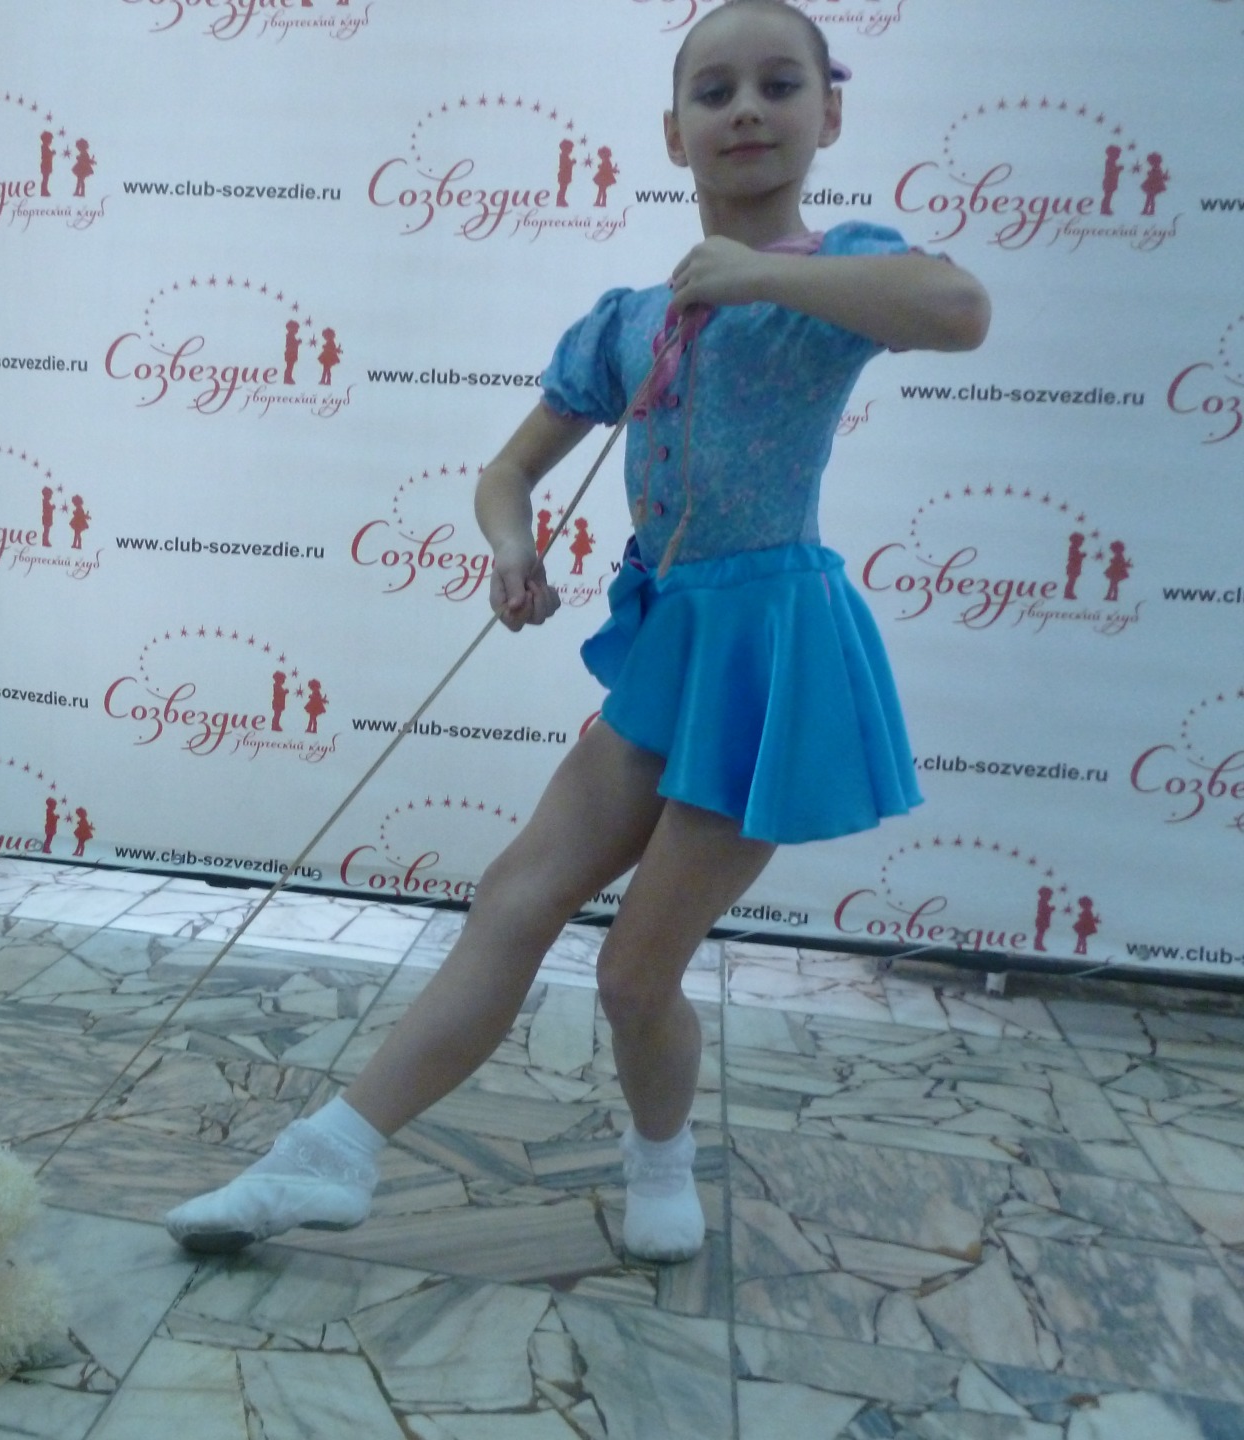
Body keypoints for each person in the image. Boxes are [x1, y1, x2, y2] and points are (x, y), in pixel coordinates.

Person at [165, 0, 989, 1264]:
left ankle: (661, 1161)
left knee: (633, 973)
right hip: (668, 651)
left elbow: (958, 308)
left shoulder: (838, 271)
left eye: (780, 85)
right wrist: (514, 548)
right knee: (514, 896)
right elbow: (506, 472)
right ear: (672, 133)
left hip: (771, 659)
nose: (748, 110)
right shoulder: (627, 320)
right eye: (715, 91)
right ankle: (330, 1157)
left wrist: (762, 272)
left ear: (830, 115)